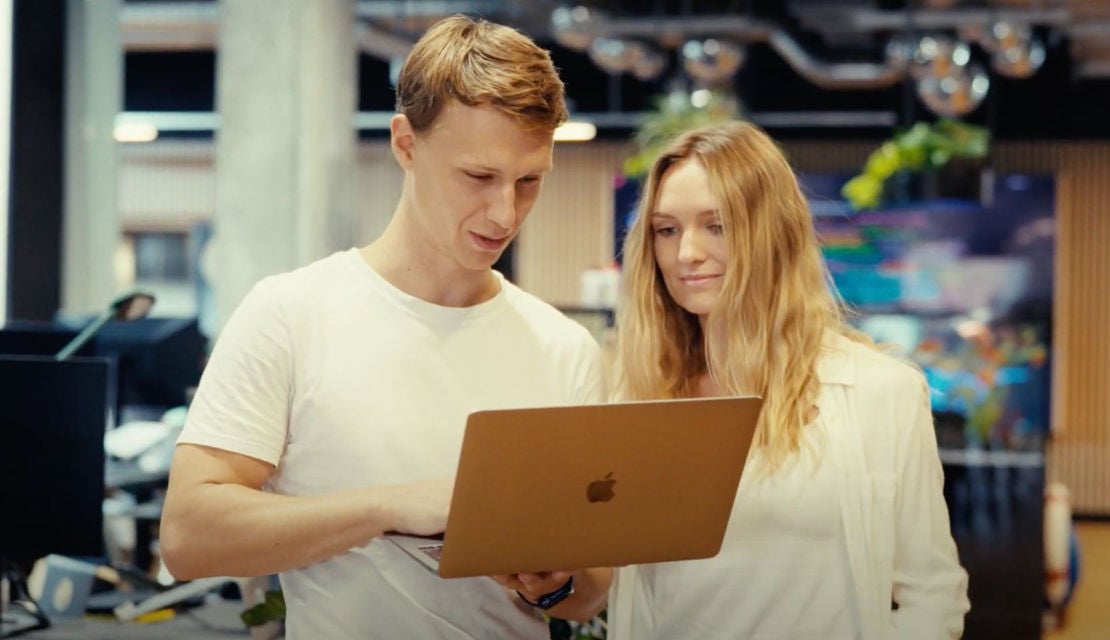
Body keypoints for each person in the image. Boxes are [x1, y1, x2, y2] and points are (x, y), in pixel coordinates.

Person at [159, 15, 610, 638]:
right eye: (478, 177)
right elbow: (188, 536)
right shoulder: (291, 314)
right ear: (406, 144)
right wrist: (388, 507)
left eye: (529, 181)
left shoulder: (564, 349)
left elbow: (587, 595)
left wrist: (555, 580)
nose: (505, 213)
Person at [605, 121, 970, 639]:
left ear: (771, 232)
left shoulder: (879, 391)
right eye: (667, 229)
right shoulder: (635, 391)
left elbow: (931, 593)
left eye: (717, 225)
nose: (686, 253)